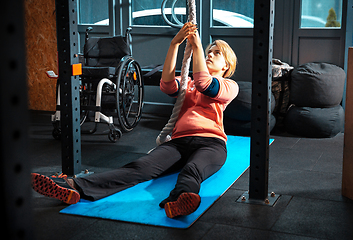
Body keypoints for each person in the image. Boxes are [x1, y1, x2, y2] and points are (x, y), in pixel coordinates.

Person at [31, 22, 239, 218]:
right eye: (209, 51)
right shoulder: (188, 83)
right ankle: (73, 186)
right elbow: (166, 85)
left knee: (192, 170)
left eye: (216, 53)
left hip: (211, 143)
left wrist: (197, 48)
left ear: (226, 65)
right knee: (139, 167)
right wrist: (174, 44)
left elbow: (205, 84)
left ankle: (180, 200)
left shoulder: (229, 86)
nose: (210, 55)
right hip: (178, 142)